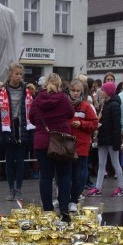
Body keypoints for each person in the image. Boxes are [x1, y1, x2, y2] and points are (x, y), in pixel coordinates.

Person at [29, 73, 74, 222]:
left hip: (42, 140)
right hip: (61, 140)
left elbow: (32, 118)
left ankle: (48, 210)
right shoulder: (63, 98)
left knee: (46, 176)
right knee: (64, 175)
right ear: (59, 85)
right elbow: (70, 114)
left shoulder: (37, 100)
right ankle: (64, 210)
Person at [0, 62, 34, 201]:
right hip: (8, 129)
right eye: (16, 74)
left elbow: (32, 112)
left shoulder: (27, 91)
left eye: (21, 74)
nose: (19, 77)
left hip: (22, 128)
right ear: (10, 74)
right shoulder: (2, 92)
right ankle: (11, 189)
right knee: (10, 161)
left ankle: (19, 188)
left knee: (21, 162)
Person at [88, 81, 123, 198]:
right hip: (104, 138)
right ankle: (98, 187)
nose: (101, 92)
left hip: (110, 139)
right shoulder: (107, 104)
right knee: (102, 163)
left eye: (103, 90)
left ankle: (121, 187)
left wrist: (116, 142)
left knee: (115, 163)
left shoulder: (113, 105)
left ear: (108, 92)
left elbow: (116, 125)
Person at [68, 78, 98, 211]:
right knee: (64, 175)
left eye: (78, 91)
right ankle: (62, 198)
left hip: (81, 146)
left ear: (81, 92)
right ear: (69, 91)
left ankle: (74, 199)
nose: (75, 93)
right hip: (66, 145)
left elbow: (94, 124)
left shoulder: (86, 106)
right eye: (73, 90)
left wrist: (82, 124)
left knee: (77, 176)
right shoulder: (64, 105)